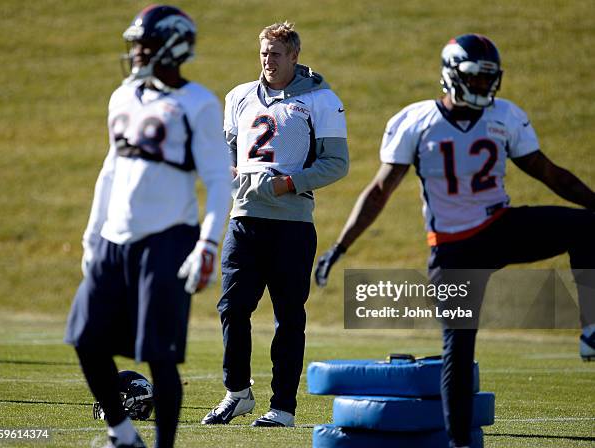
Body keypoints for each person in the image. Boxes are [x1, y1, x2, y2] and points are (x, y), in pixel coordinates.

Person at [314, 34, 595, 448]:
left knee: (588, 226)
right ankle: (460, 444)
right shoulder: (416, 121)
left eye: (488, 80)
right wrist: (340, 245)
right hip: (451, 247)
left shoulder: (504, 116)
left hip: (499, 228)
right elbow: (379, 192)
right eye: (474, 78)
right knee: (458, 347)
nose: (483, 88)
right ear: (451, 76)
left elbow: (550, 174)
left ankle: (591, 327)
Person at [64, 5, 231, 448]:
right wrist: (92, 233)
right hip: (113, 238)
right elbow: (110, 169)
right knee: (86, 338)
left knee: (160, 356)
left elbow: (217, 180)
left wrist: (207, 243)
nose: (137, 52)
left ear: (174, 47)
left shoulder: (198, 103)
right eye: (135, 44)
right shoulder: (122, 95)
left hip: (168, 237)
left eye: (146, 44)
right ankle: (123, 434)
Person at [201, 22, 349, 427]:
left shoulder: (321, 99)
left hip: (292, 225)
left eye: (277, 53)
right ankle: (237, 392)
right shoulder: (239, 96)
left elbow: (337, 163)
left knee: (288, 316)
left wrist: (288, 184)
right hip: (244, 219)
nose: (268, 60)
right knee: (232, 307)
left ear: (294, 56)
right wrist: (230, 174)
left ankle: (282, 407)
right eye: (264, 52)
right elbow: (226, 151)